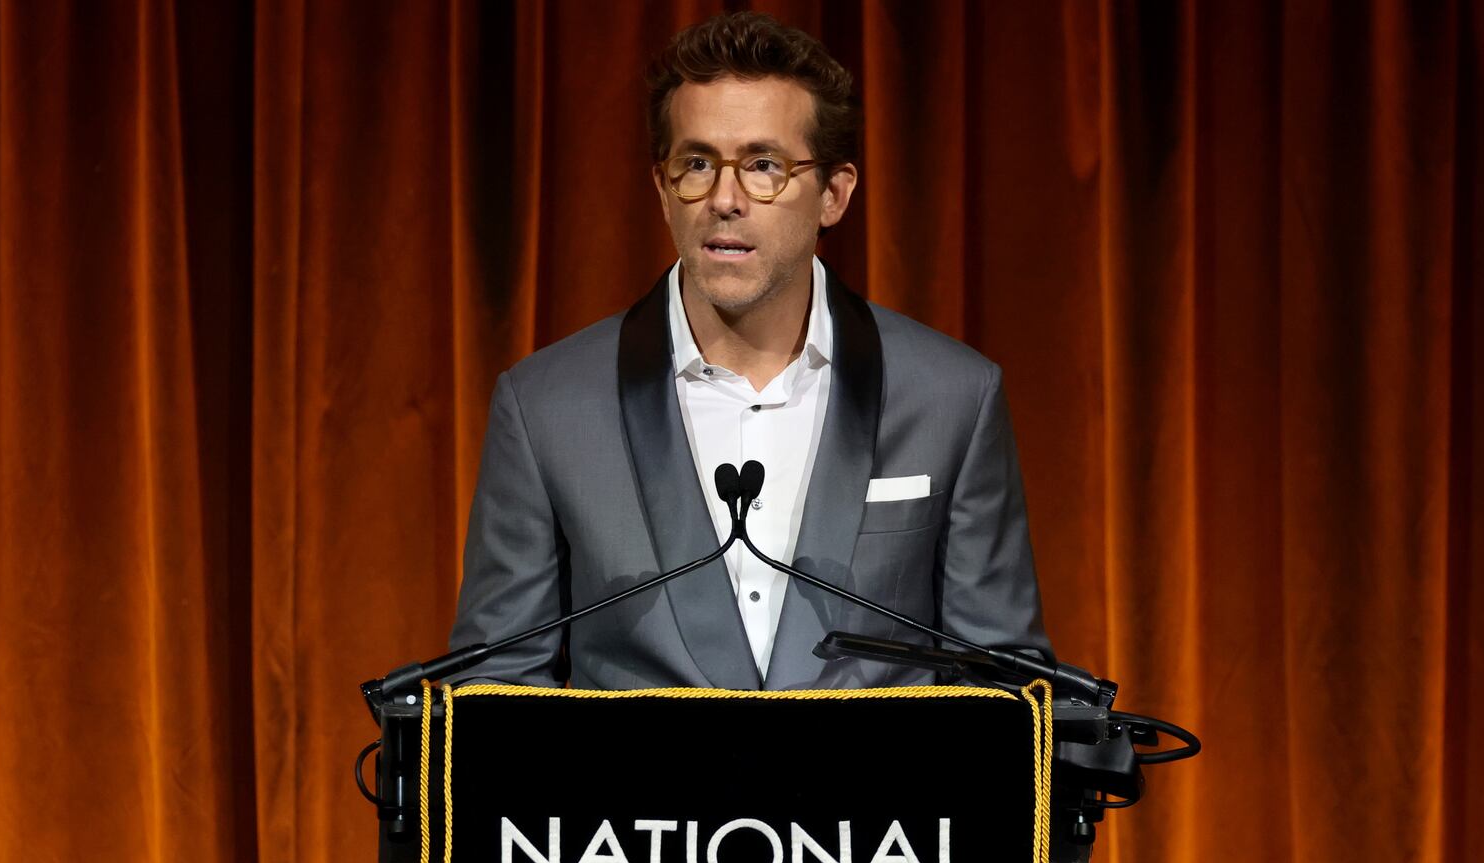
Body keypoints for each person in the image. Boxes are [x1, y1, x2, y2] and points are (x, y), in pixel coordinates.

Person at [448, 12, 1049, 690]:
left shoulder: (952, 398)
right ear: (662, 189)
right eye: (697, 164)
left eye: (764, 166)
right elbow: (497, 689)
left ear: (835, 194)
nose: (725, 200)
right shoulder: (548, 407)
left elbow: (1000, 686)